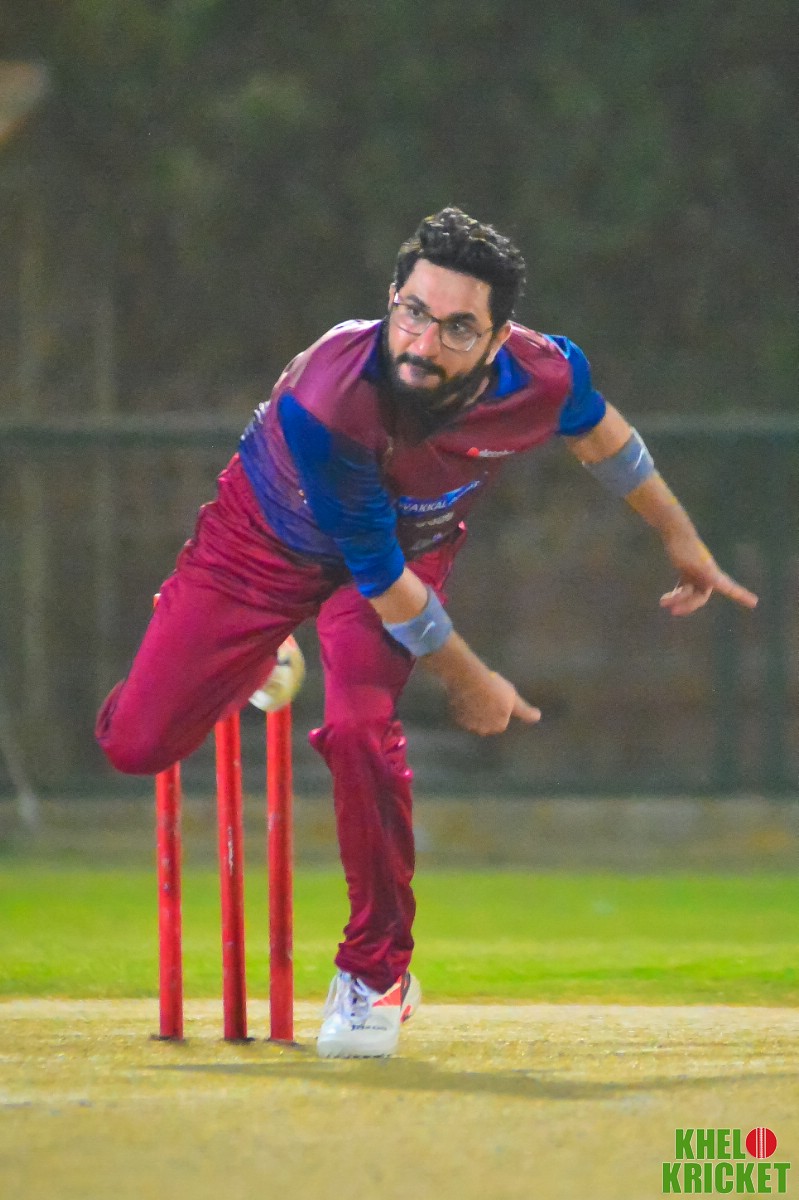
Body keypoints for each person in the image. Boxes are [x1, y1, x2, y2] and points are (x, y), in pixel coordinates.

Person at [96, 207, 758, 1058]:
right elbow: (377, 576)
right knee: (136, 746)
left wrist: (678, 535)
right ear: (391, 298)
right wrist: (469, 676)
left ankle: (374, 972)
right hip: (261, 545)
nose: (421, 342)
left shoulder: (542, 374)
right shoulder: (333, 396)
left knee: (360, 731)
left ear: (498, 338)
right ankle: (248, 650)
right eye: (412, 311)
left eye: (456, 327)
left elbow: (600, 433)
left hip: (406, 552)